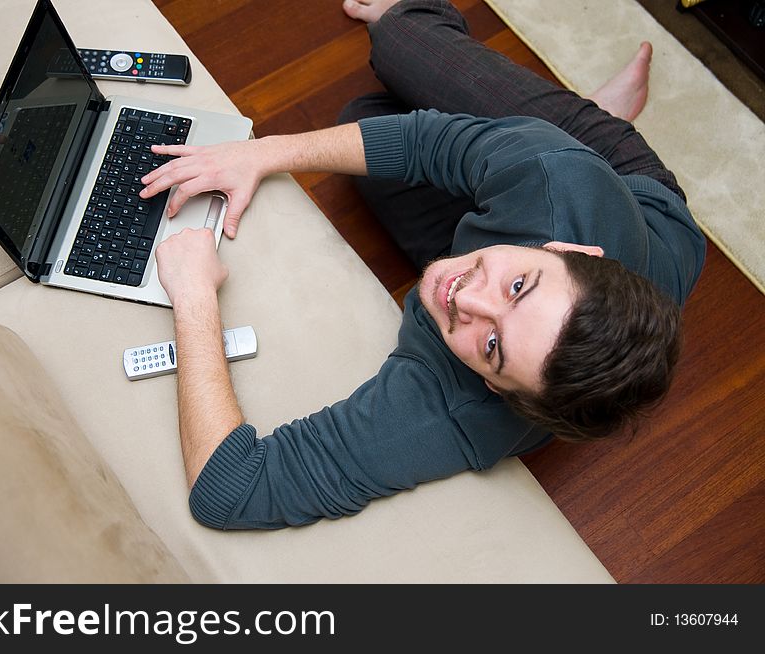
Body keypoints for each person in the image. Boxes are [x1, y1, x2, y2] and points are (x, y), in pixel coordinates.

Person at [142, 0, 705, 529]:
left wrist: (194, 297)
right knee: (397, 40)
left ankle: (576, 120)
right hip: (632, 186)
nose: (464, 299)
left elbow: (231, 491)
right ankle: (595, 118)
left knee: (365, 115)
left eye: (492, 348)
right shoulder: (558, 177)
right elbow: (427, 142)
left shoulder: (460, 410)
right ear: (568, 251)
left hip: (597, 225)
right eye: (517, 285)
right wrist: (259, 152)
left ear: (503, 393)